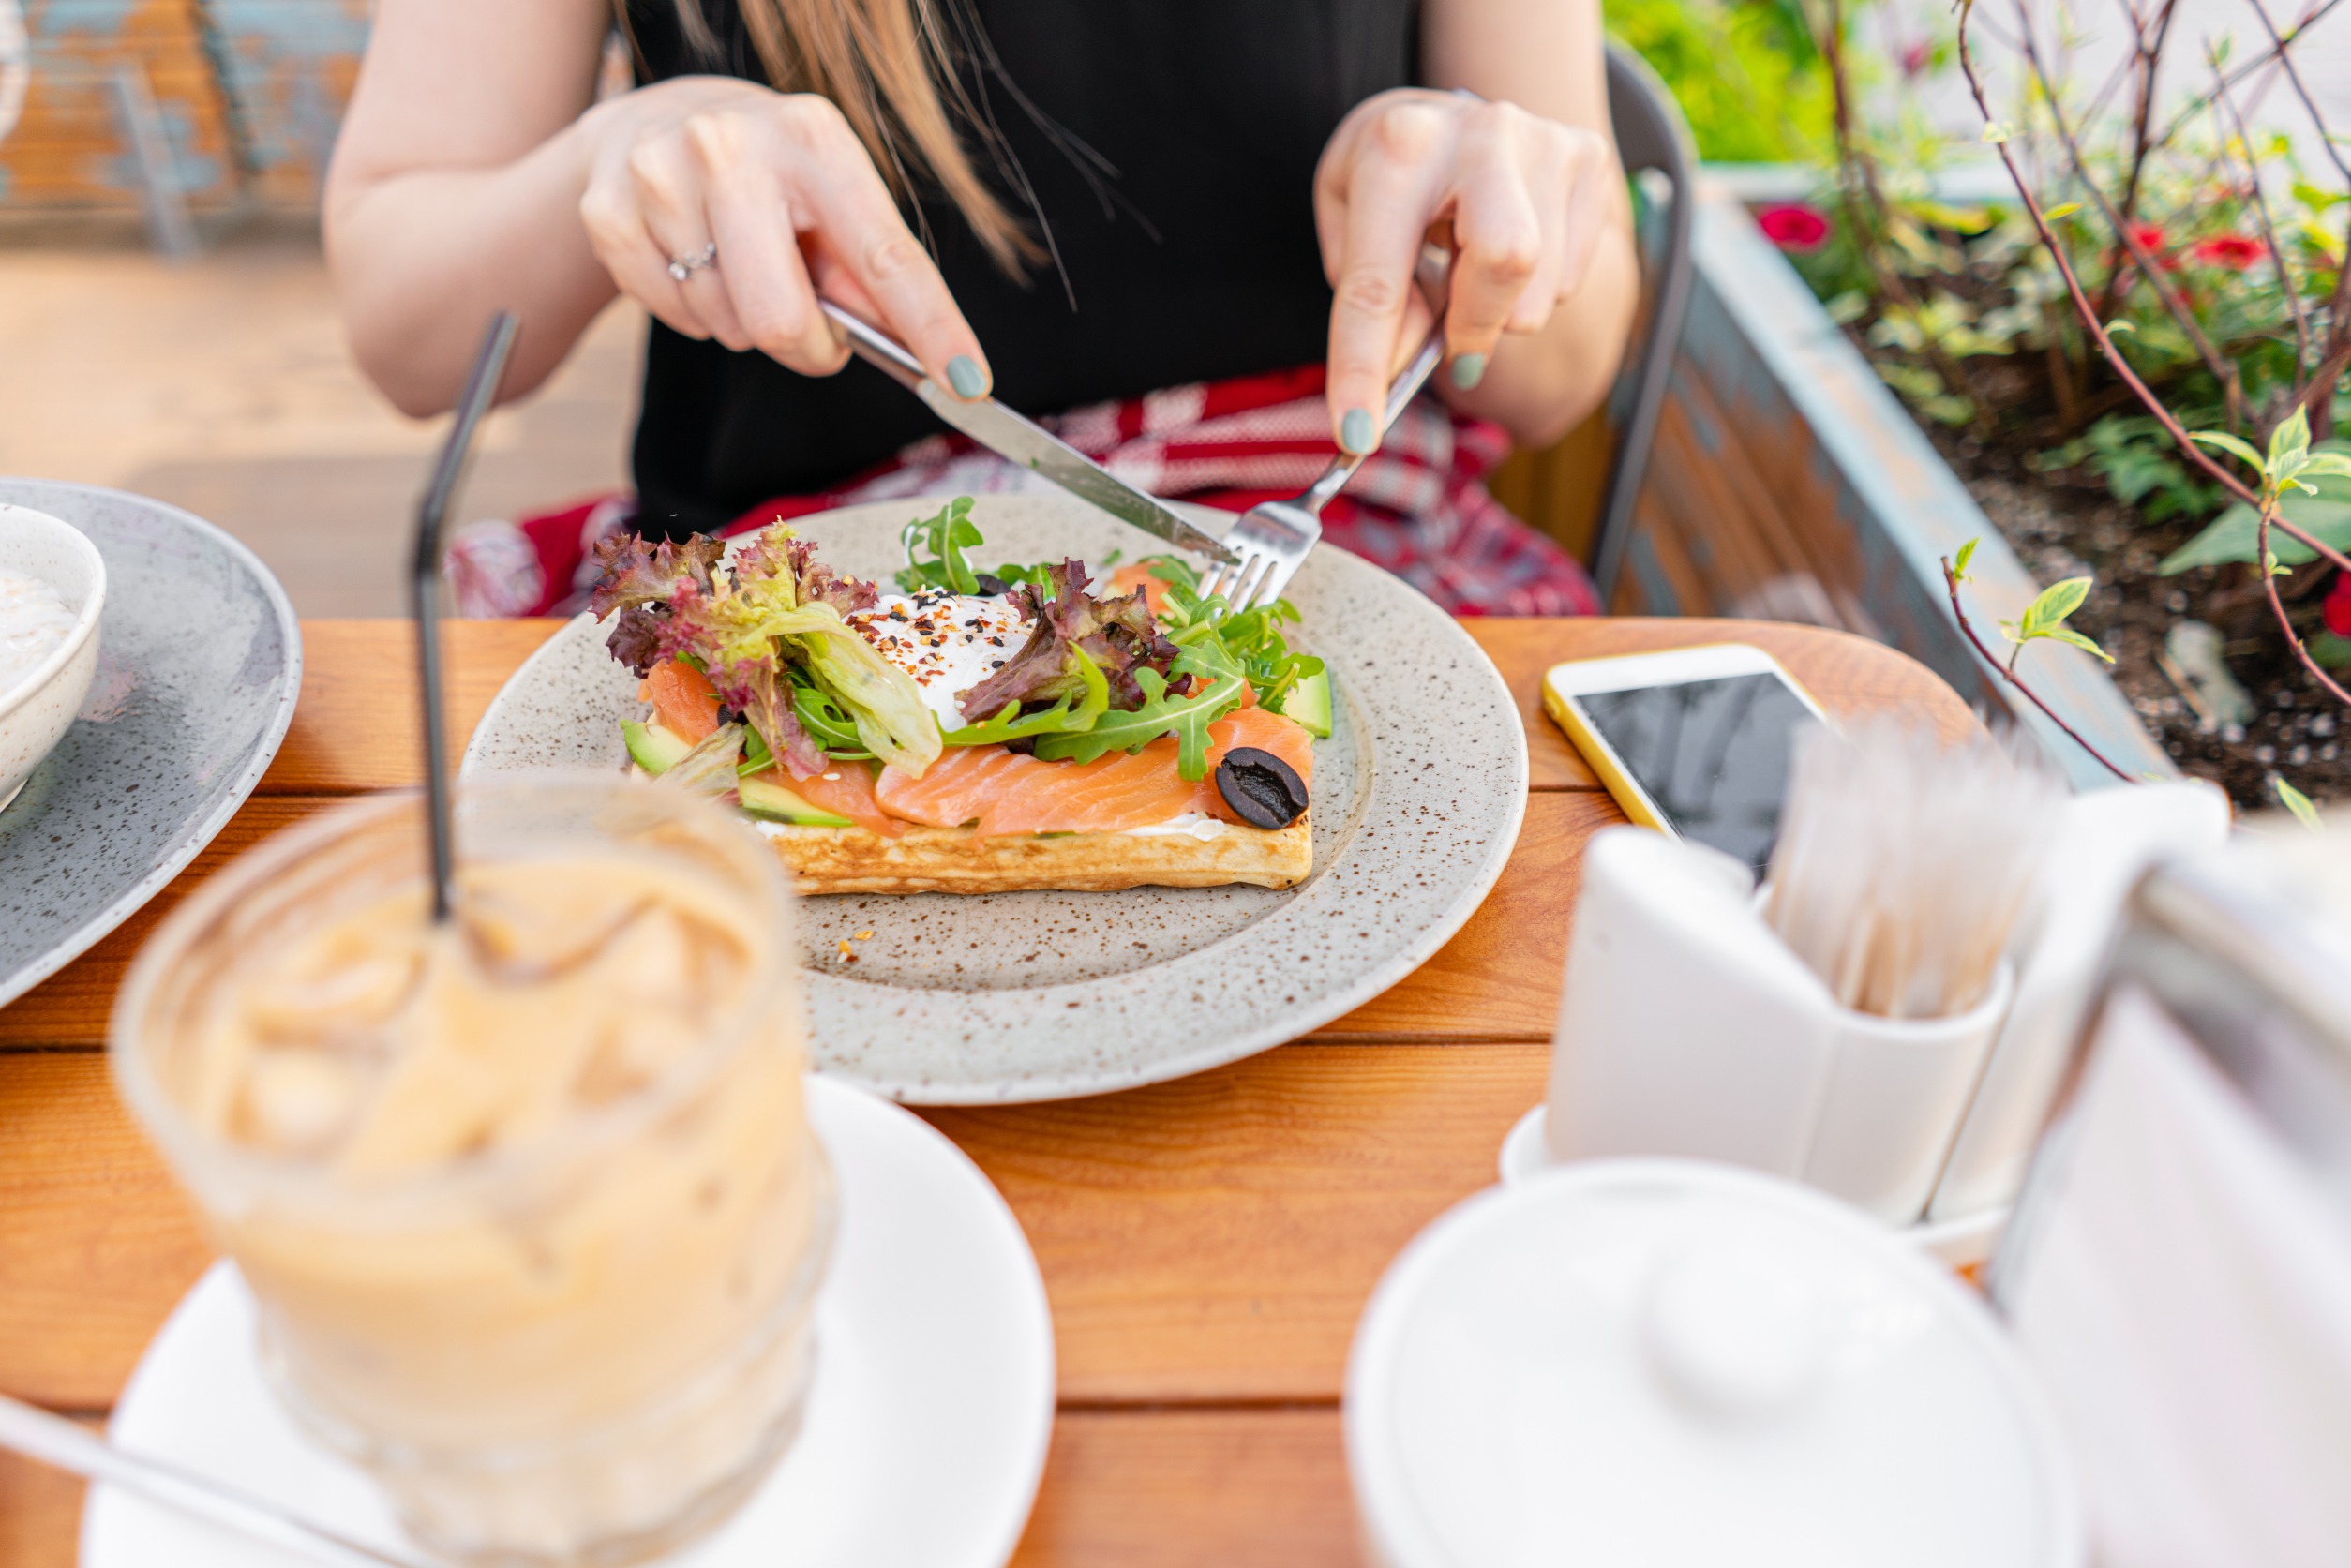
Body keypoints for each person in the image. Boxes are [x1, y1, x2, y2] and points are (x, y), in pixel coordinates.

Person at [325, 0, 1638, 616]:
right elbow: (405, 332)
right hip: (800, 584)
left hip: (1350, 560)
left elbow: (1560, 378)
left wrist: (1491, 224)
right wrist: (626, 146)